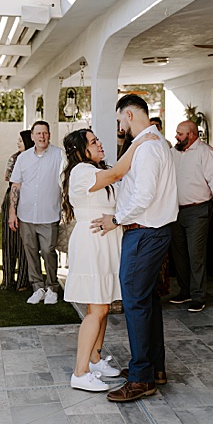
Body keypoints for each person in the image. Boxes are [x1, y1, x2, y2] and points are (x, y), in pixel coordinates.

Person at [92, 94, 178, 403]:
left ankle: (142, 378)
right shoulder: (153, 144)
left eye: (119, 120)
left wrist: (115, 219)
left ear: (129, 115)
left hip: (144, 234)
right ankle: (155, 368)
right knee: (148, 302)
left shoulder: (149, 149)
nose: (119, 126)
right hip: (151, 233)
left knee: (135, 304)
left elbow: (143, 197)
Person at [62, 128, 157, 392]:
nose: (100, 144)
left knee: (102, 305)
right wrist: (137, 145)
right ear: (81, 150)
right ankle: (79, 373)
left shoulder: (97, 169)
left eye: (98, 139)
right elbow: (117, 173)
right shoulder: (81, 171)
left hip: (107, 241)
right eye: (93, 142)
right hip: (93, 241)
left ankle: (94, 359)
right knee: (98, 308)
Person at [169, 120, 213, 313]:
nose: (176, 136)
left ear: (191, 135)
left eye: (180, 134)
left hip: (198, 210)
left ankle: (198, 296)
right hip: (175, 210)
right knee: (179, 254)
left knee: (196, 255)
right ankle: (184, 291)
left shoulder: (206, 153)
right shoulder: (174, 152)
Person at [8, 121, 65, 305]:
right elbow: (15, 185)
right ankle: (37, 288)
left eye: (45, 133)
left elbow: (65, 182)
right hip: (26, 215)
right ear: (32, 136)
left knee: (48, 251)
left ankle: (52, 287)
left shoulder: (59, 155)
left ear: (49, 135)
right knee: (30, 251)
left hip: (49, 214)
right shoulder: (23, 158)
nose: (42, 136)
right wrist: (12, 212)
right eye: (38, 133)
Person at [1, 130, 33, 290]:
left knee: (25, 241)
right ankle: (7, 280)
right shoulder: (14, 158)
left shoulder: (35, 158)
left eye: (21, 140)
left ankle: (23, 280)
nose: (18, 143)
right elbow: (9, 178)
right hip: (12, 199)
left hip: (29, 201)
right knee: (8, 241)